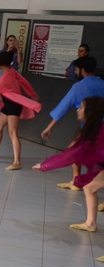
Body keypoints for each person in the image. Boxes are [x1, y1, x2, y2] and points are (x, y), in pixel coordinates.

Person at [33, 96, 104, 250]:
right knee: (89, 188)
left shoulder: (97, 131)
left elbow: (71, 156)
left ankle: (91, 223)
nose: (78, 110)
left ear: (89, 112)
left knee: (90, 188)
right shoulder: (94, 129)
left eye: (81, 107)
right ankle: (91, 223)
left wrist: (44, 165)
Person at [40, 56, 104, 190]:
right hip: (99, 129)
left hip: (90, 130)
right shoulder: (102, 84)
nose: (75, 72)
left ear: (82, 70)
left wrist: (49, 127)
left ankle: (76, 181)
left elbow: (63, 107)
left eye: (76, 69)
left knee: (74, 150)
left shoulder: (78, 87)